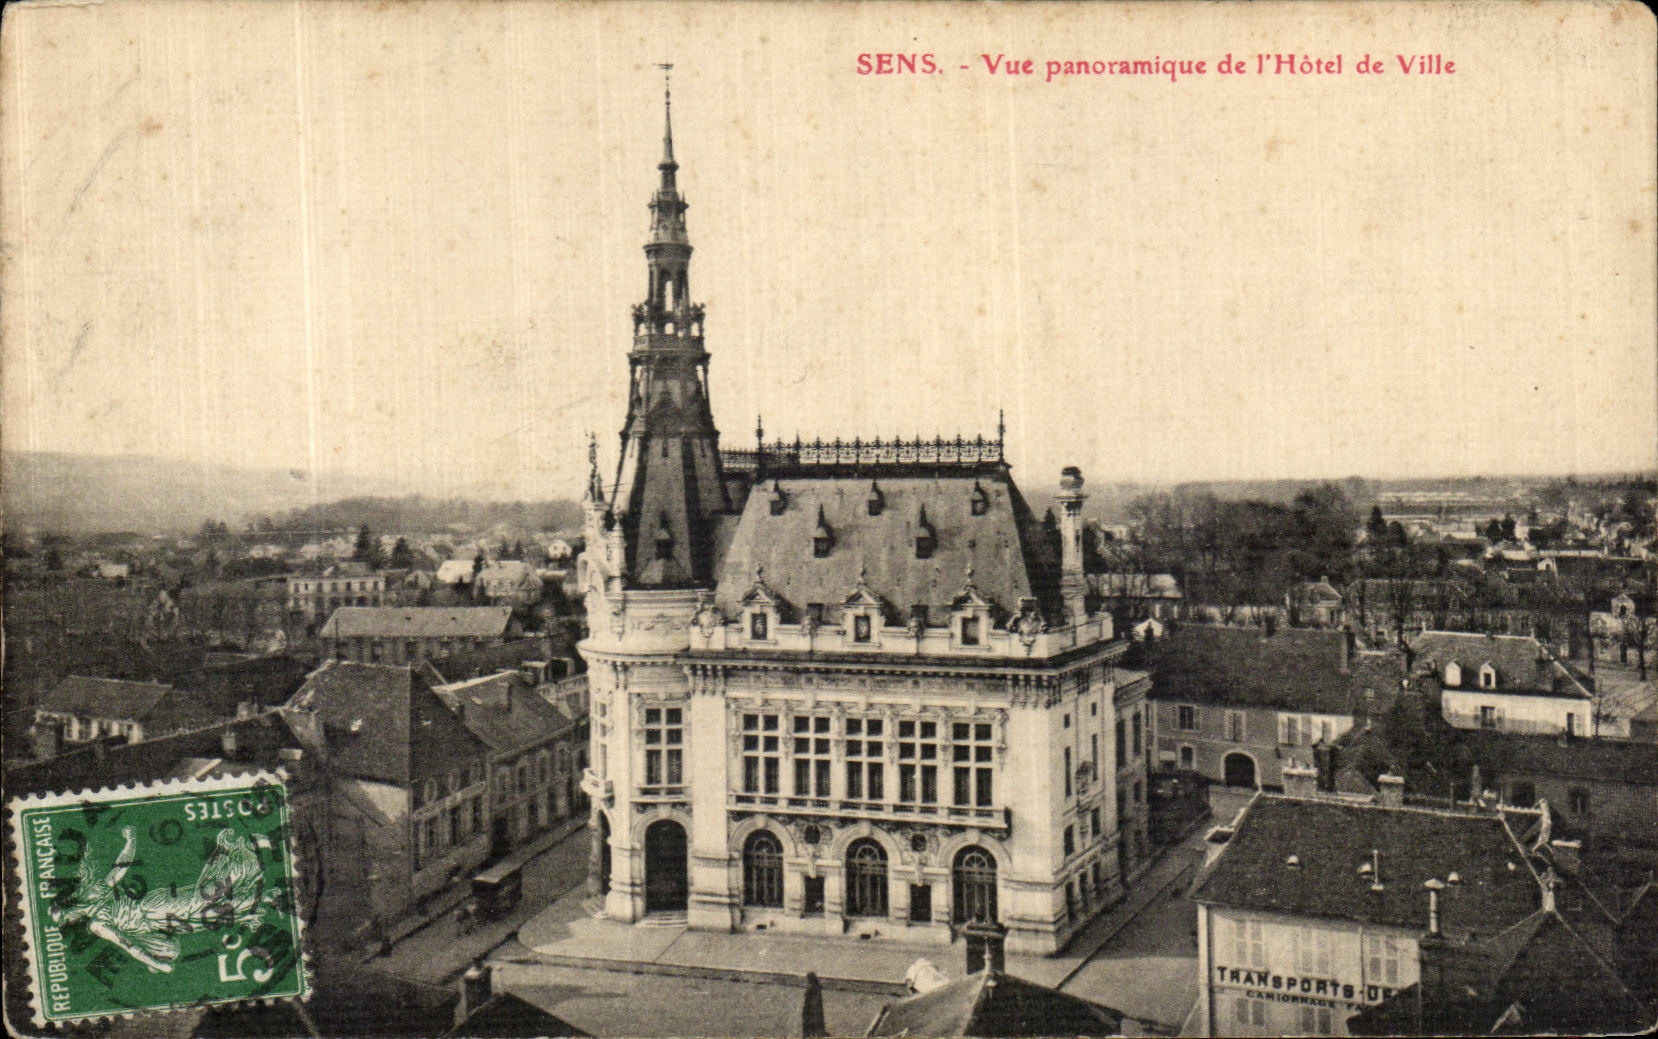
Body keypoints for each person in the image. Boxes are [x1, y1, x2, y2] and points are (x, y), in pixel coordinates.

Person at [48, 825, 273, 973]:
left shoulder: (96, 891)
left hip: (151, 906)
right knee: (208, 914)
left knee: (201, 898)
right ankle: (259, 896)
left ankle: (245, 852)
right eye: (66, 922)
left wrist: (131, 841)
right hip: (155, 927)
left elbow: (120, 868)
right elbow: (129, 946)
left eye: (65, 916)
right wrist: (157, 963)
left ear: (69, 906)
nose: (70, 920)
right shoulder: (97, 925)